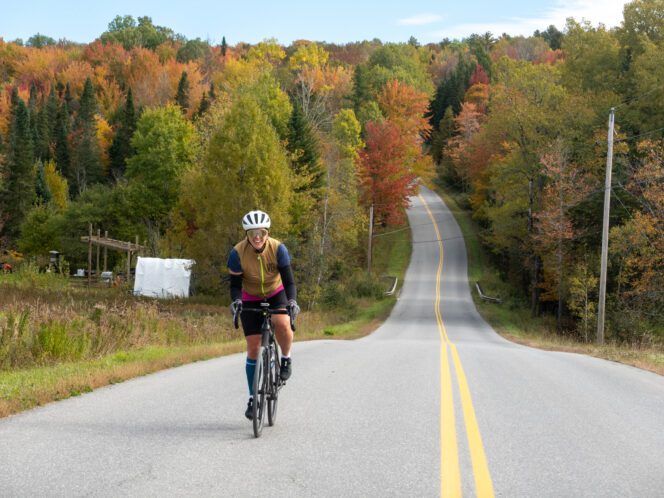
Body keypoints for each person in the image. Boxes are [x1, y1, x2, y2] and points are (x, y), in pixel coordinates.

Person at [227, 210, 300, 420]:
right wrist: (236, 301)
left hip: (276, 292)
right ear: (247, 235)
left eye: (261, 232)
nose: (257, 236)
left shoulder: (279, 249)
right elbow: (234, 285)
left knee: (282, 322)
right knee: (252, 347)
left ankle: (285, 358)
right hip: (250, 296)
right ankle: (253, 398)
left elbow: (289, 281)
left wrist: (292, 301)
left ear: (267, 233)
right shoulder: (237, 253)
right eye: (252, 233)